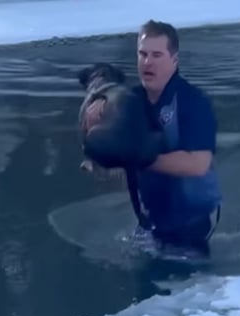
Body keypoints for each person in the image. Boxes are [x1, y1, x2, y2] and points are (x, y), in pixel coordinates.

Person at [84, 20, 222, 256]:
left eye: (157, 55)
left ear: (174, 60)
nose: (148, 62)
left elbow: (198, 165)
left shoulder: (194, 102)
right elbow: (110, 160)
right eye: (143, 54)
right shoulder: (129, 101)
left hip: (191, 226)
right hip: (148, 222)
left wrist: (137, 157)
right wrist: (97, 113)